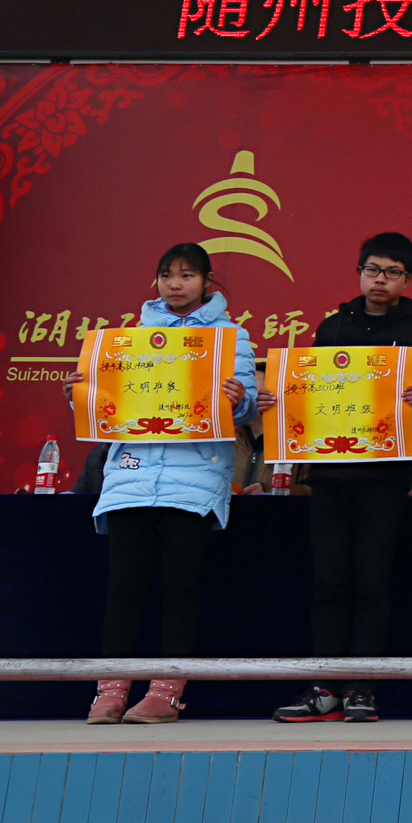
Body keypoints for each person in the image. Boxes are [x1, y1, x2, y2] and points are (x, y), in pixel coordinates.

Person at [75, 243, 260, 725]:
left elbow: (246, 407)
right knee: (124, 585)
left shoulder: (230, 337)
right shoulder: (129, 339)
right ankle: (110, 692)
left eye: (187, 275)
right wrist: (84, 393)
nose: (175, 284)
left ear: (206, 281)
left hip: (194, 477)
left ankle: (165, 694)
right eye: (166, 275)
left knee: (180, 586)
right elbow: (108, 400)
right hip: (132, 472)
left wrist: (238, 398)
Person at [270, 233, 412, 725]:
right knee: (329, 581)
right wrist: (279, 402)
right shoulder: (333, 327)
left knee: (372, 581)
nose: (380, 280)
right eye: (372, 269)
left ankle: (361, 687)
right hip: (331, 474)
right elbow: (310, 393)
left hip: (386, 474)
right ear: (359, 272)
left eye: (392, 272)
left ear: (408, 279)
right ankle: (324, 687)